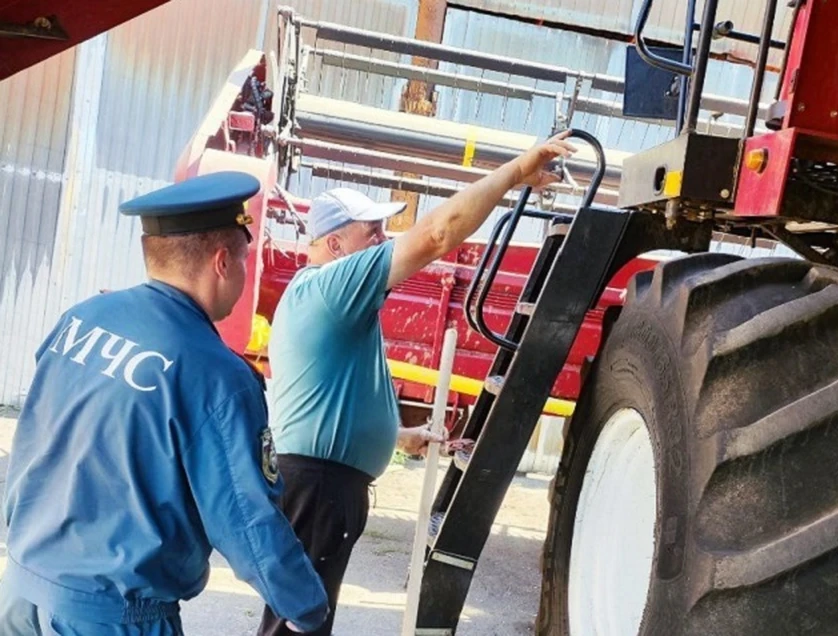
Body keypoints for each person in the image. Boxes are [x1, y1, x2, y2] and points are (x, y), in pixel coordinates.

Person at [258, 132, 576, 636]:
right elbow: (436, 234)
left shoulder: (327, 298)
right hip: (319, 487)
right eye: (373, 231)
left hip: (320, 484)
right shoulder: (331, 285)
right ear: (335, 243)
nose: (384, 241)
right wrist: (516, 170)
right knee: (297, 624)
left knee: (302, 619)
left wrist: (400, 438)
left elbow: (323, 402)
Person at [0, 172, 328, 636]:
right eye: (244, 258)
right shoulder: (217, 376)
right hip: (110, 617)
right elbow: (247, 519)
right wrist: (306, 606)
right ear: (221, 262)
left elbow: (36, 435)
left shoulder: (81, 321)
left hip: (21, 591)